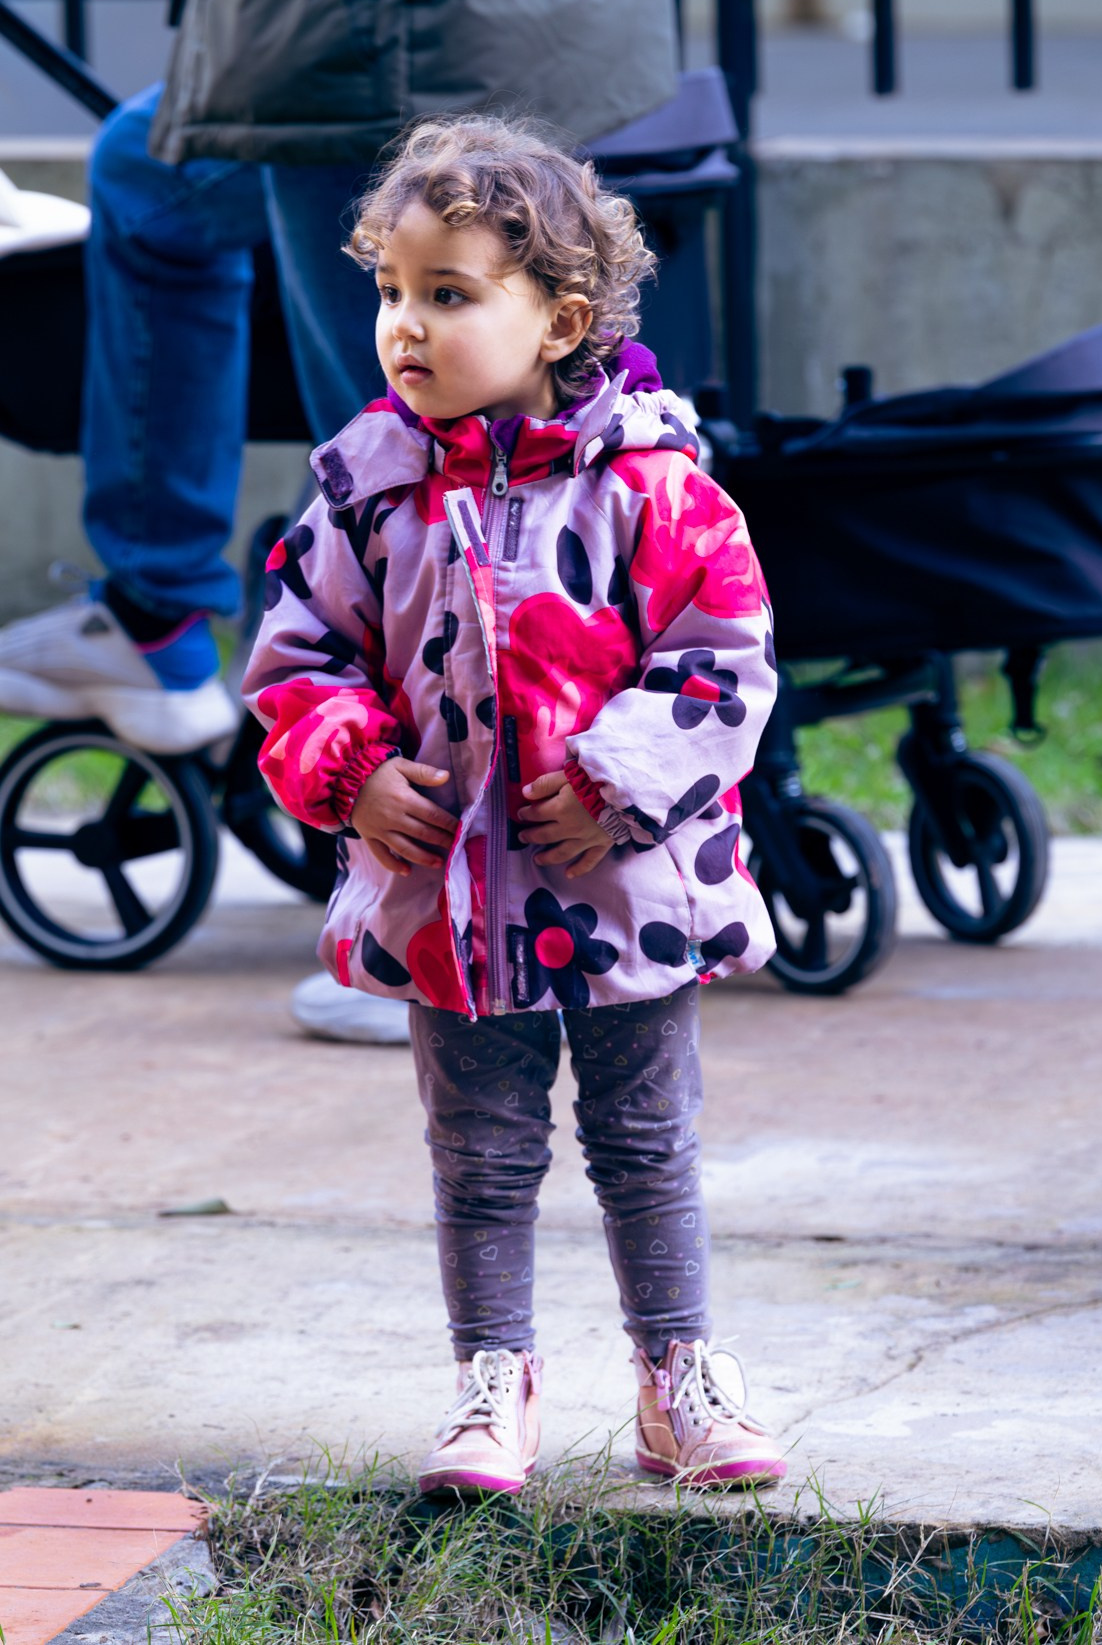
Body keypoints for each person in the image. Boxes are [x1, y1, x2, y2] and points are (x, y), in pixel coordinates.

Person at [243, 115, 787, 1495]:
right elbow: (298, 658)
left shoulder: (653, 487)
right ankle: (493, 1379)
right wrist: (355, 773)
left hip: (626, 887)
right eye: (389, 291)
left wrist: (617, 782)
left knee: (645, 1141)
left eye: (448, 293)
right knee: (479, 1153)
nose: (403, 326)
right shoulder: (367, 492)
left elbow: (721, 658)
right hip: (451, 904)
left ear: (560, 320)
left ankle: (678, 1375)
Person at [0, 0, 678, 1041]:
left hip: (370, 26)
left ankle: (431, 933)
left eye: (424, 297)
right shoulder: (656, 481)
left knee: (407, 478)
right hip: (559, 19)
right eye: (391, 295)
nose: (399, 318)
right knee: (149, 165)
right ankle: (165, 614)